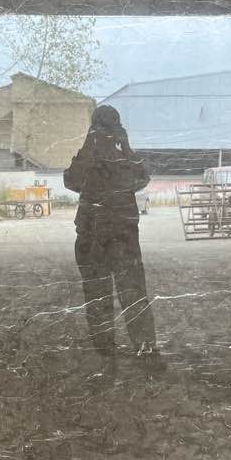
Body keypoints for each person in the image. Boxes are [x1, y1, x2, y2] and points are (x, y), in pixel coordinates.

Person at [64, 105, 163, 371]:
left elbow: (71, 181)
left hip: (101, 235)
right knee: (130, 292)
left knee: (104, 294)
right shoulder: (116, 160)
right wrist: (122, 147)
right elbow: (72, 181)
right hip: (114, 235)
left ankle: (107, 350)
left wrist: (99, 147)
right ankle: (135, 348)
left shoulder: (100, 159)